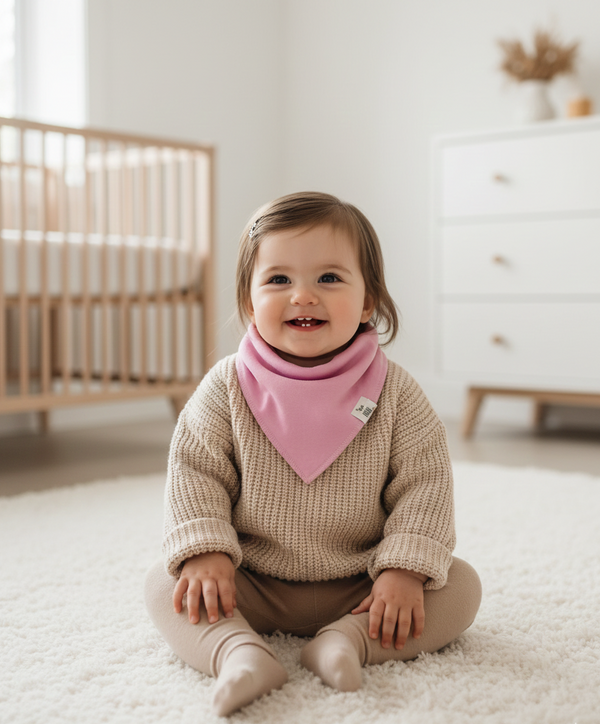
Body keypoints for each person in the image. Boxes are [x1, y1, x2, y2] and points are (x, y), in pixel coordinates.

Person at [145, 191, 482, 717]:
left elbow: (426, 484)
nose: (303, 295)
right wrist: (205, 551)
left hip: (363, 582)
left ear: (368, 301)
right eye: (279, 280)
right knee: (165, 583)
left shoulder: (397, 392)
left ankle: (348, 642)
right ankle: (238, 653)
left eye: (329, 278)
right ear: (249, 301)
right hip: (252, 579)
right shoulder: (226, 387)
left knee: (459, 587)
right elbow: (195, 472)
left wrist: (404, 571)